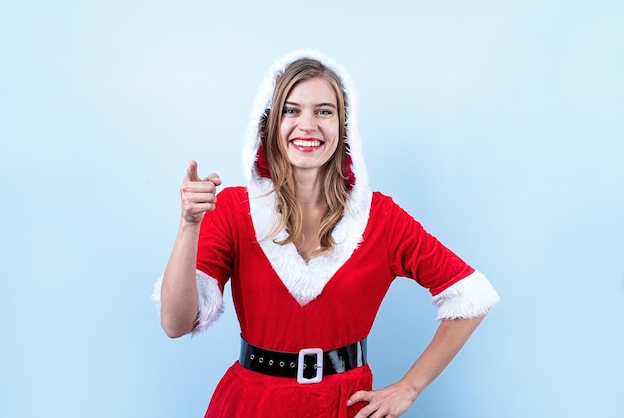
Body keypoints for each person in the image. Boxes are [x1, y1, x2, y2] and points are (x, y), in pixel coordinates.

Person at [153, 50, 500, 418]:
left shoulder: (379, 217)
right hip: (250, 405)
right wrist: (189, 225)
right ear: (269, 122)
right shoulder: (233, 210)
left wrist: (409, 387)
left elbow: (471, 296)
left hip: (344, 406)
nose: (307, 125)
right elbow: (176, 324)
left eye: (323, 111)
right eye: (291, 110)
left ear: (343, 124)